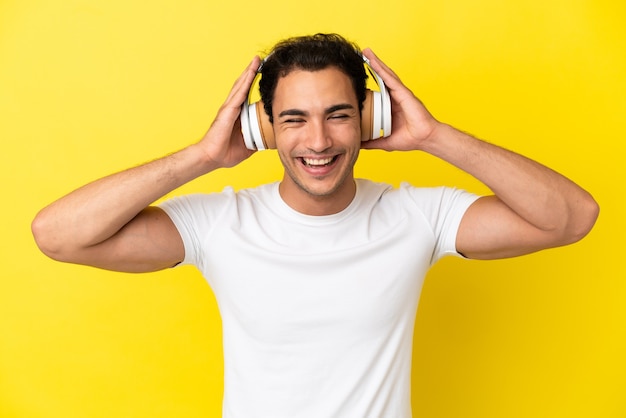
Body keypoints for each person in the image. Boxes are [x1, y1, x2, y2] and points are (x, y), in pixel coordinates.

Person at [32, 33, 599, 417]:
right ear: (263, 130)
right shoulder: (222, 223)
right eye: (294, 120)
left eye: (339, 114)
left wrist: (434, 136)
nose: (319, 141)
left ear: (370, 117)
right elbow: (57, 235)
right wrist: (201, 156)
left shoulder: (421, 216)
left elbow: (572, 218)